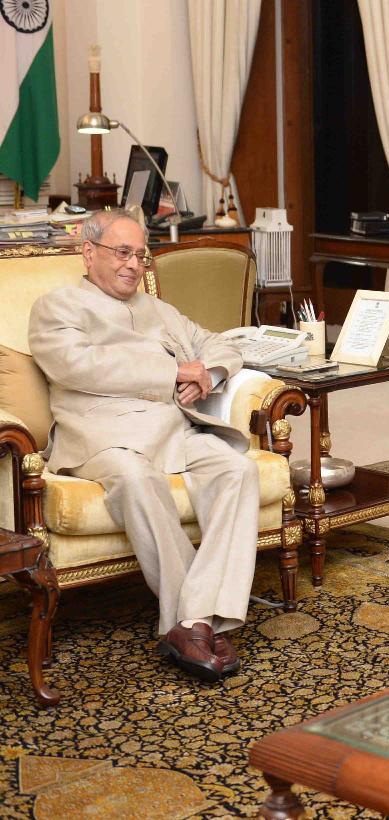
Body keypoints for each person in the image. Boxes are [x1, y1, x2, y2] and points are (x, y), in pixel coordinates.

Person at [28, 210, 260, 682]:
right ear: (88, 252)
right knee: (138, 480)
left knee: (237, 469)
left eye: (140, 255)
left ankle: (192, 621)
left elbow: (219, 344)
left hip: (174, 429)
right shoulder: (58, 306)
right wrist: (173, 370)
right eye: (122, 253)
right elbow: (78, 366)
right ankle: (195, 621)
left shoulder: (160, 310)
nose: (133, 264)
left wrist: (209, 372)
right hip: (104, 437)